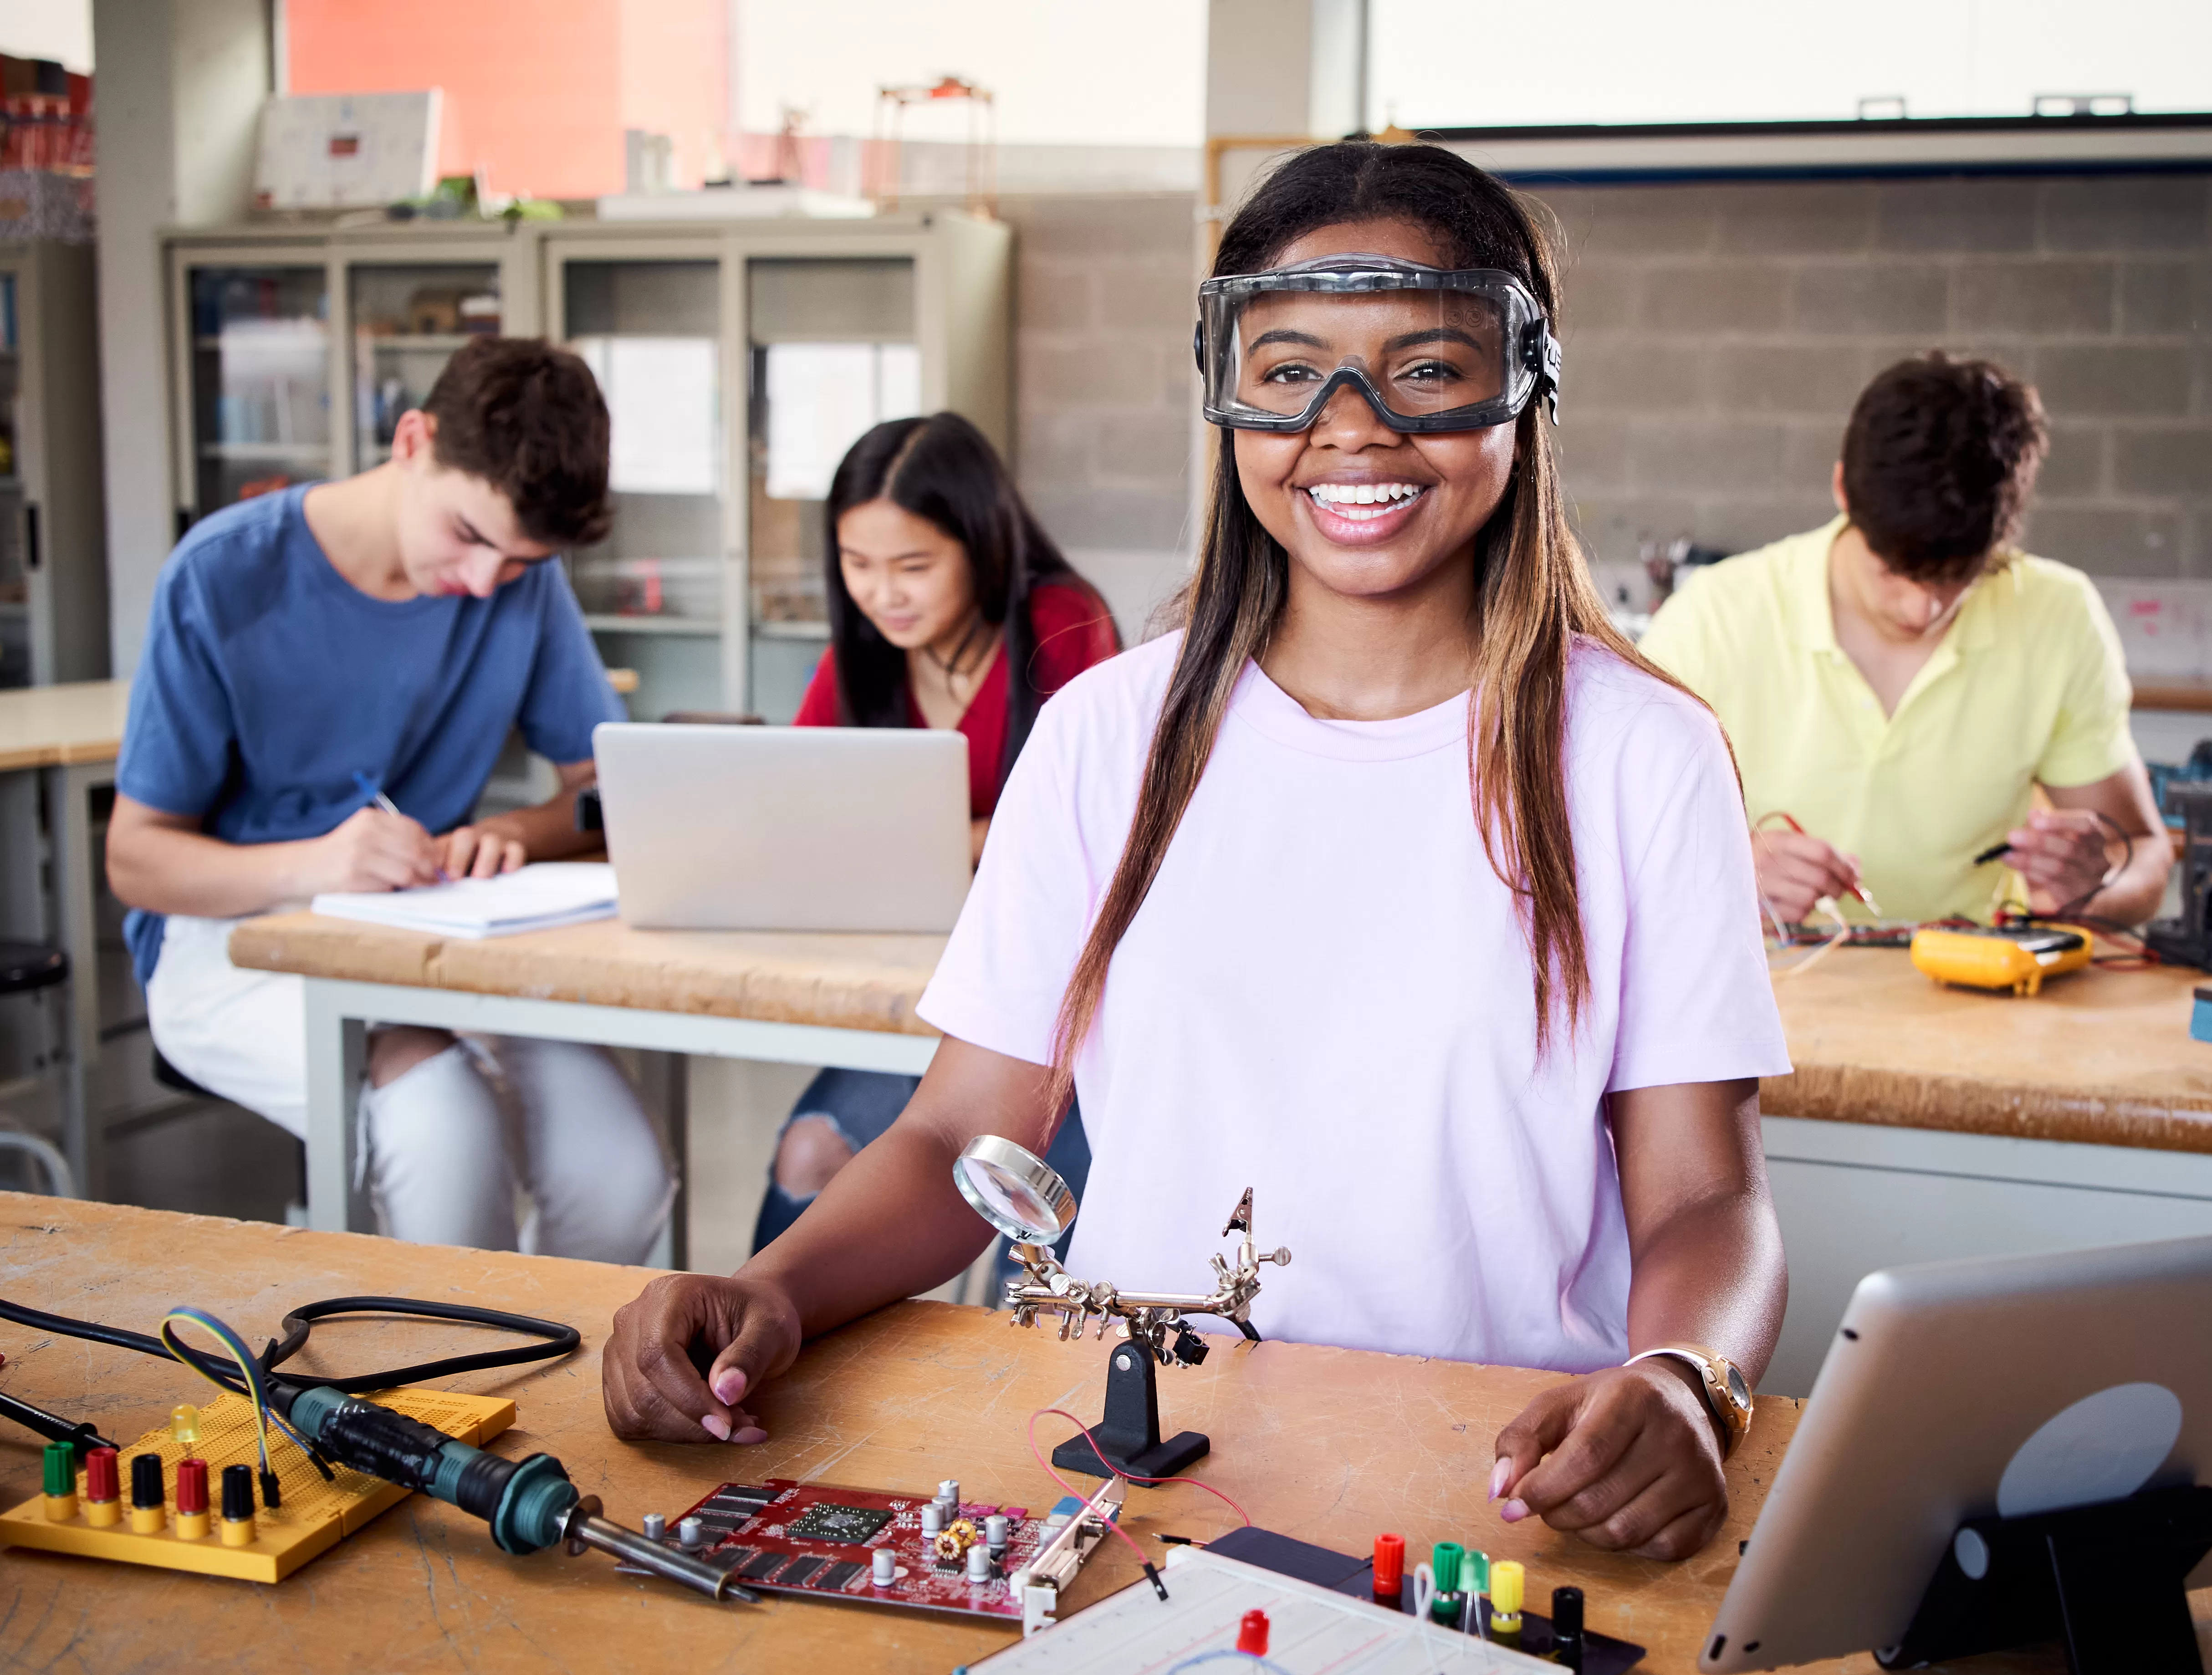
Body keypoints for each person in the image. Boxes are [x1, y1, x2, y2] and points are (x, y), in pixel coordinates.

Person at [601, 140, 1790, 1561]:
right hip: (1139, 1477)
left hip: (1495, 1484)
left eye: (1426, 368)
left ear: (1525, 381)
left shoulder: (1640, 753)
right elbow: (956, 1134)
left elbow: (1705, 1193)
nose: (1350, 427)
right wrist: (774, 1289)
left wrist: (1682, 1379)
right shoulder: (1109, 734)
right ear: (1226, 394)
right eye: (1288, 372)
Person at [105, 337, 672, 1260]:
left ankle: (566, 1377)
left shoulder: (519, 581)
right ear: (413, 440)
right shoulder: (222, 574)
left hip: (440, 924)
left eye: (522, 563)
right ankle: (458, 1386)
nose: (487, 582)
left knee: (620, 1172)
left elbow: (608, 796)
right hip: (236, 931)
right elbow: (136, 859)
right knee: (442, 1122)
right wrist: (320, 863)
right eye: (471, 537)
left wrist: (513, 834)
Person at [1642, 354, 2171, 932]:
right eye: (1893, 572)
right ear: (1843, 488)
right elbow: (1594, 852)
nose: (1922, 609)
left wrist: (2093, 886)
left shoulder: (2057, 615)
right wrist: (1718, 873)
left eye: (1955, 578)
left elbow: (2145, 856)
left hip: (1968, 994)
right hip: (1763, 997)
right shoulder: (1713, 616)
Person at [757, 412, 1120, 1251]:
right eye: (858, 565)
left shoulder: (1059, 622)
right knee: (811, 1150)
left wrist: (923, 840)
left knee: (1031, 1213)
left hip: (1045, 1007)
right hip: (906, 989)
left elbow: (1089, 828)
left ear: (983, 548)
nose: (884, 593)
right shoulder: (862, 651)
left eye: (913, 566)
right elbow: (796, 810)